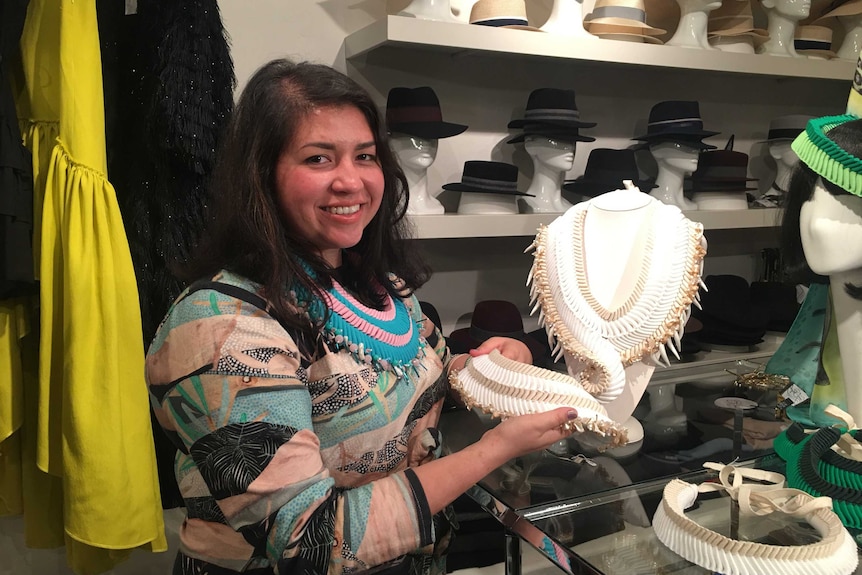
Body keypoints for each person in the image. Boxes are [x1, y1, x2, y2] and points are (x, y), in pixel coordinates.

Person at [144, 58, 581, 575]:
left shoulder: (380, 287)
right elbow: (306, 540)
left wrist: (494, 363)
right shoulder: (220, 327)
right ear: (261, 174)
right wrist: (490, 452)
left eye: (365, 156)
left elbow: (432, 376)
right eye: (319, 159)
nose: (350, 181)